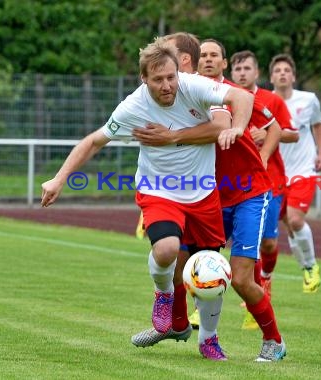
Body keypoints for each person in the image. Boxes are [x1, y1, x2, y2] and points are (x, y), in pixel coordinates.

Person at [41, 37, 255, 354]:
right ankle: (162, 293)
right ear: (145, 79)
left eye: (171, 77)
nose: (167, 85)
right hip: (159, 190)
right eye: (158, 79)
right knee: (167, 249)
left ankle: (208, 339)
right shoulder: (133, 106)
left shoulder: (193, 85)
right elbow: (93, 142)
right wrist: (59, 179)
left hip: (203, 192)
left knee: (210, 269)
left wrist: (236, 128)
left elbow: (240, 97)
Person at [131, 33, 286, 362]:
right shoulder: (173, 93)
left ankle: (274, 340)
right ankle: (175, 324)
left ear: (183, 61)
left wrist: (242, 132)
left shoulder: (217, 91)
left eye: (171, 56)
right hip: (205, 195)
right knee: (176, 263)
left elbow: (250, 122)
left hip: (246, 192)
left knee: (240, 278)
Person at [230, 49, 296, 329]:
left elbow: (290, 132)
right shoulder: (225, 97)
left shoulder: (271, 100)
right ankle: (252, 288)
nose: (242, 73)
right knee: (245, 245)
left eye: (247, 68)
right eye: (238, 69)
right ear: (231, 73)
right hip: (235, 184)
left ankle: (265, 279)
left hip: (270, 180)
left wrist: (266, 134)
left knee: (268, 243)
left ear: (257, 73)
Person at [269, 53, 321, 294]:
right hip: (277, 173)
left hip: (304, 170)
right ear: (271, 77)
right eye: (278, 70)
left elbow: (317, 124)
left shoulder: (309, 99)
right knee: (288, 225)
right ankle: (305, 267)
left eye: (286, 70)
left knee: (295, 219)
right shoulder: (265, 102)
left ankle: (311, 267)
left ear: (293, 76)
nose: (282, 73)